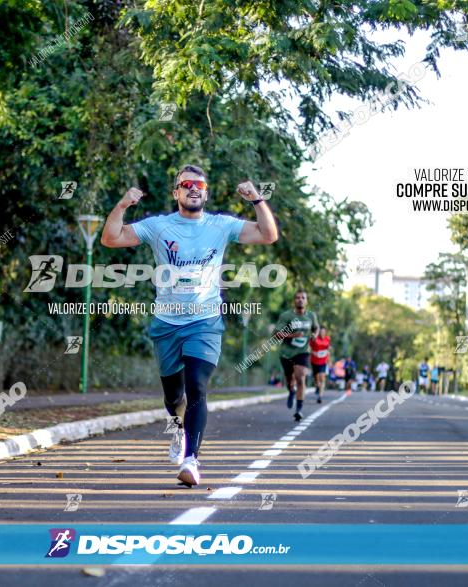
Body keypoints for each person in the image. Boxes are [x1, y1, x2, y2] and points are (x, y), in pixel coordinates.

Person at [101, 164, 278, 487]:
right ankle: (177, 425)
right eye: (186, 184)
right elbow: (111, 238)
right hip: (166, 322)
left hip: (205, 321)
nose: (193, 189)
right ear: (176, 192)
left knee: (197, 387)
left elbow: (268, 235)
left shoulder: (221, 225)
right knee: (173, 397)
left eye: (199, 184)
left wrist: (257, 199)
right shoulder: (158, 226)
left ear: (206, 192)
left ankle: (191, 459)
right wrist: (123, 204)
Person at [275, 291, 318, 421]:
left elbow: (316, 327)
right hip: (286, 353)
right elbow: (277, 335)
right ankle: (291, 391)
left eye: (303, 298)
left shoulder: (311, 316)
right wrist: (293, 335)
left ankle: (299, 409)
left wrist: (315, 334)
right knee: (289, 381)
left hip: (303, 352)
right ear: (294, 301)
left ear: (306, 301)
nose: (300, 300)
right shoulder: (286, 316)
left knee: (300, 376)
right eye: (298, 298)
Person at [309, 326, 330, 404]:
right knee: (316, 379)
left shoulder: (328, 339)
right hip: (314, 361)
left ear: (325, 332)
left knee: (322, 377)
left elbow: (328, 349)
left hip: (323, 361)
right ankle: (317, 387)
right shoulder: (314, 339)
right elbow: (309, 347)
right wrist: (313, 352)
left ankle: (320, 396)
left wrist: (328, 358)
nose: (322, 333)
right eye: (321, 332)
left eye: (323, 332)